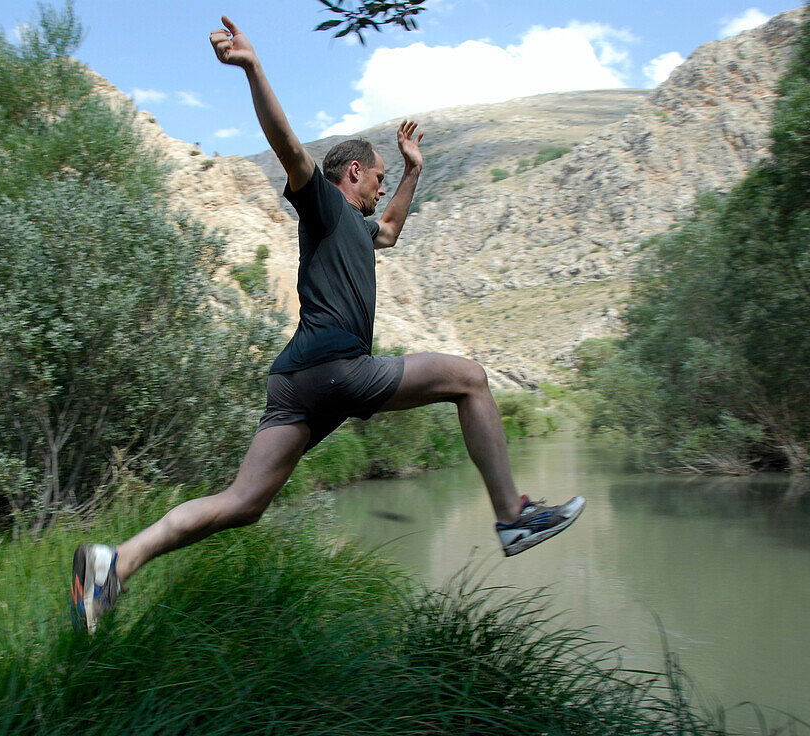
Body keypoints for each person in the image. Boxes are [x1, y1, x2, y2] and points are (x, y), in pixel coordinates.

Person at [71, 16, 584, 633]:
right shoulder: (322, 203)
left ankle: (112, 563)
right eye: (379, 177)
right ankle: (511, 514)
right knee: (470, 379)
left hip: (295, 382)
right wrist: (254, 67)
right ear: (352, 174)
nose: (380, 188)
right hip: (335, 367)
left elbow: (390, 231)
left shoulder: (361, 230)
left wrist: (413, 169)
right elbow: (288, 144)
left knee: (242, 503)